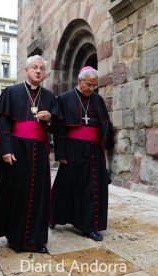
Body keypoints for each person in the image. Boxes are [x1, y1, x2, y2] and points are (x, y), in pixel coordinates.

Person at [0, 55, 57, 254]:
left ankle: (36, 239)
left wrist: (50, 118)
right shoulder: (12, 92)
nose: (38, 71)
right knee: (17, 193)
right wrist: (6, 149)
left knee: (39, 195)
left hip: (40, 152)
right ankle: (16, 238)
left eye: (42, 69)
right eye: (35, 68)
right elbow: (3, 123)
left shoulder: (49, 97)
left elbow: (57, 127)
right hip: (16, 150)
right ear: (26, 70)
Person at [50, 66, 114, 241]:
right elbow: (58, 128)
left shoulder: (97, 100)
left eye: (95, 86)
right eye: (89, 85)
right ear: (79, 81)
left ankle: (89, 226)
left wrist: (104, 149)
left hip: (93, 150)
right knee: (66, 186)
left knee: (93, 187)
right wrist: (61, 153)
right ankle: (53, 216)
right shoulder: (64, 98)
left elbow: (105, 125)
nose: (92, 89)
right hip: (72, 149)